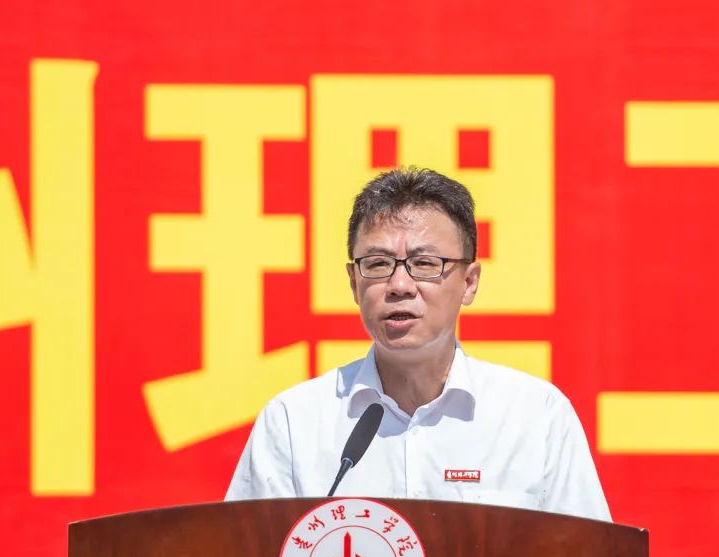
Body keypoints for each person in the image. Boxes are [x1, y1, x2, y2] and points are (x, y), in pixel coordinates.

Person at [224, 167, 611, 521]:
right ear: (354, 283)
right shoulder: (294, 423)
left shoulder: (534, 417)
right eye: (377, 264)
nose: (399, 286)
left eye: (424, 264)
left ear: (469, 282)